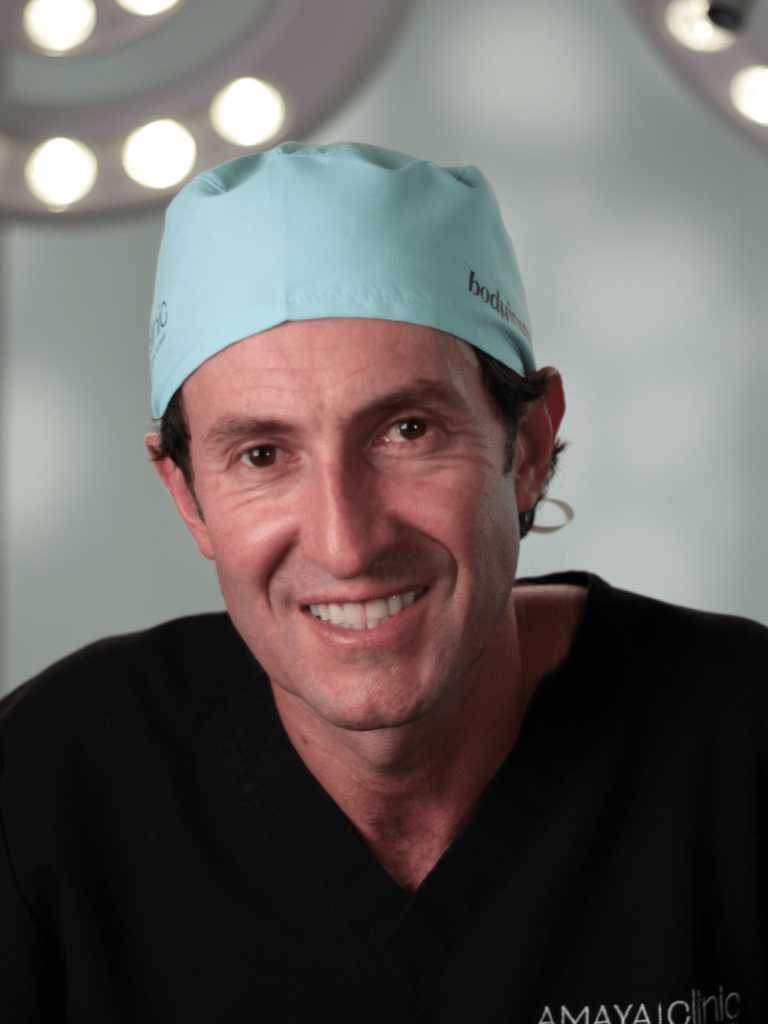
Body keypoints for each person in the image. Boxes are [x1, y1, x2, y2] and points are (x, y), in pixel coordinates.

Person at [1, 141, 766, 1023]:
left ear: (526, 448)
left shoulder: (741, 741)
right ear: (188, 495)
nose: (347, 544)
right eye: (263, 455)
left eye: (407, 430)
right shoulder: (44, 792)